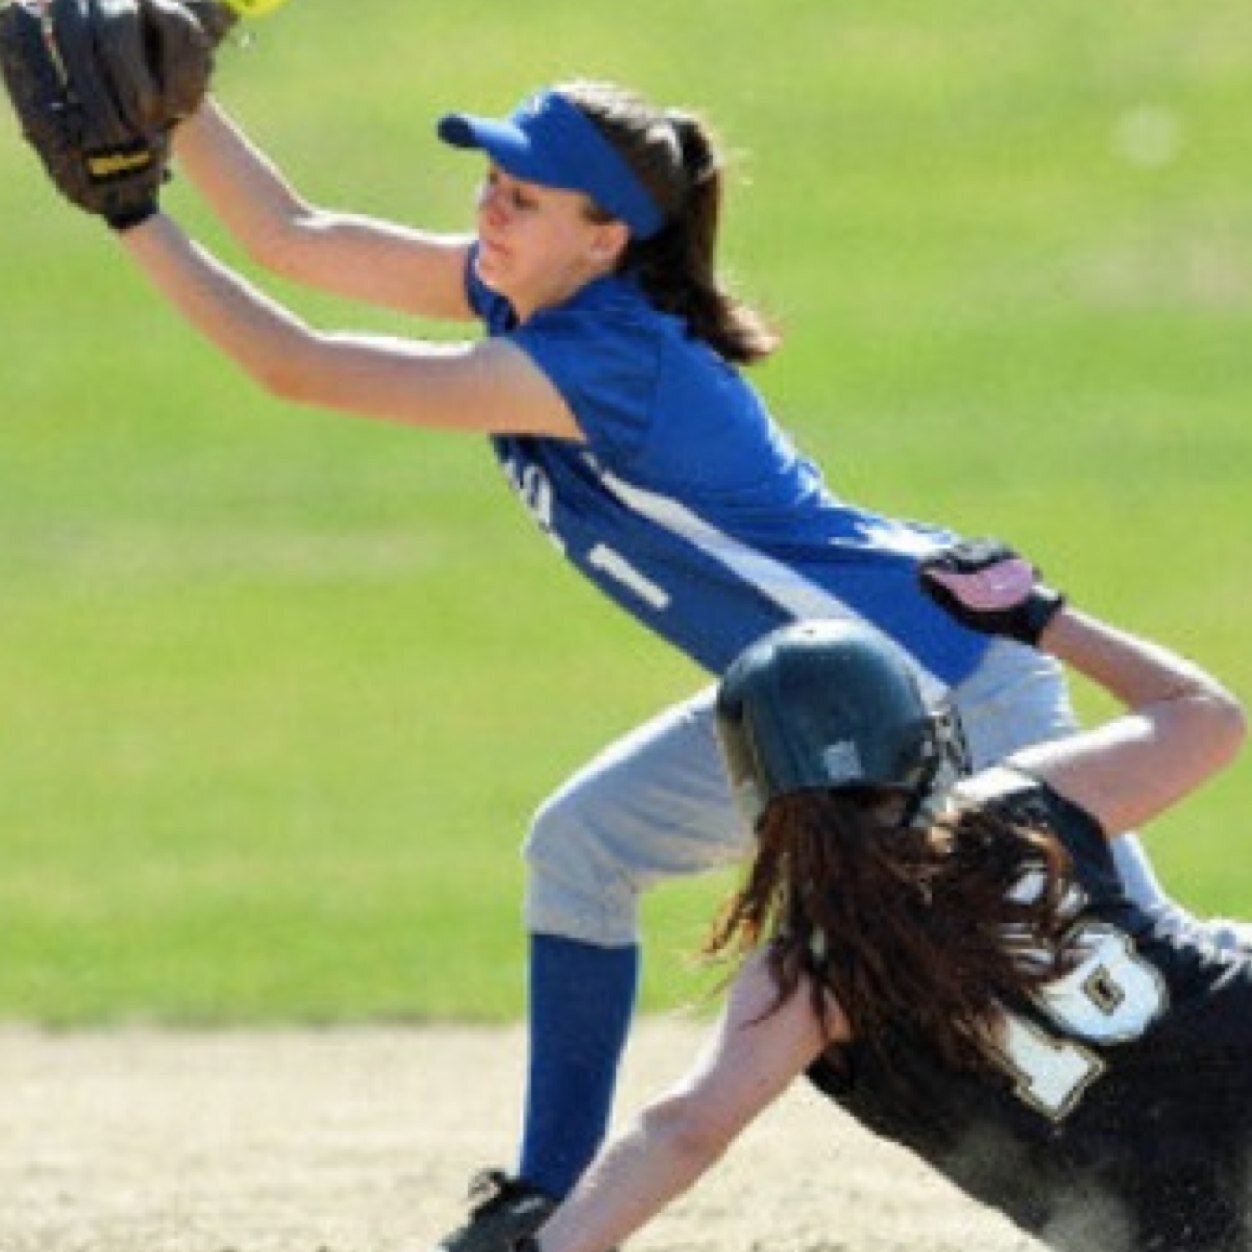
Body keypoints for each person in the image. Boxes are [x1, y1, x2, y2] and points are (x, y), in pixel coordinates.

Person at [61, 69, 1246, 1247]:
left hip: (946, 679)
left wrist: (133, 212)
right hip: (799, 709)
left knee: (1133, 976)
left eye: (524, 196)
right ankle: (540, 1199)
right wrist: (173, 95)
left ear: (606, 237)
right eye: (491, 180)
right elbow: (296, 237)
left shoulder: (607, 361)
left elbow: (301, 366)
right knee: (584, 845)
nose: (490, 208)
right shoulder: (528, 291)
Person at [519, 538, 1252, 1252]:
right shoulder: (1019, 809)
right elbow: (1207, 716)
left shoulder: (809, 978)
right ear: (921, 738)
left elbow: (683, 1130)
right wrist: (1040, 616)